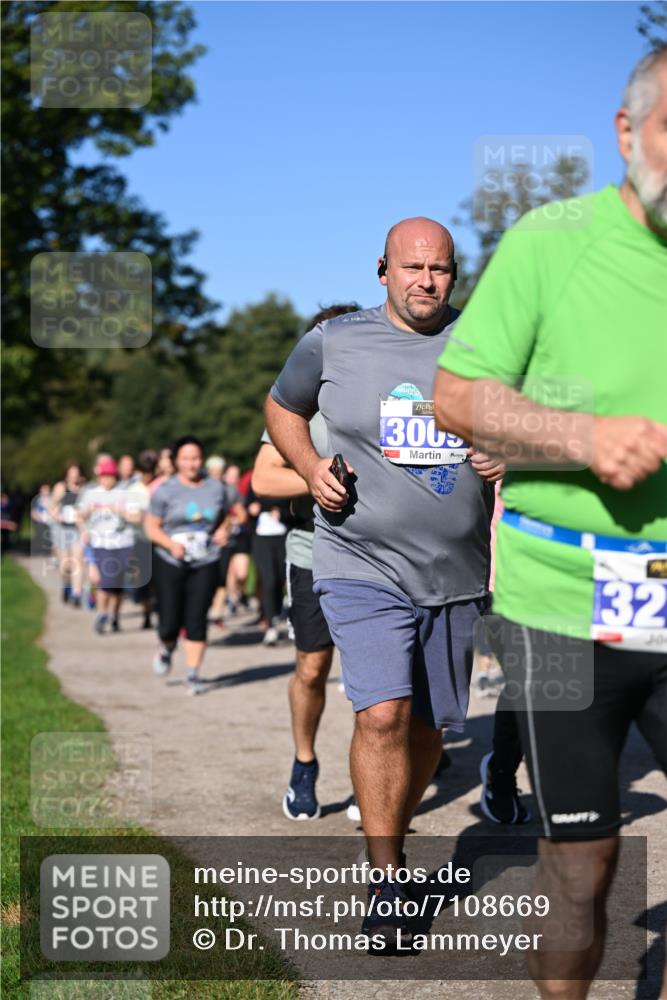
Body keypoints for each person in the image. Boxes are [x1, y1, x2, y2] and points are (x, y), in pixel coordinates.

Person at [434, 47, 667, 999]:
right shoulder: (550, 240)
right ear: (627, 134)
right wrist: (578, 435)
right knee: (581, 866)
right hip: (560, 607)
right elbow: (456, 398)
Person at [265, 217, 502, 950]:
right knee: (380, 715)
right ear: (382, 270)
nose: (425, 281)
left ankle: (390, 824)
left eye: (439, 270)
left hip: (454, 571)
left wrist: (508, 453)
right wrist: (309, 469)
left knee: (428, 729)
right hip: (357, 561)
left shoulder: (486, 342)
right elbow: (281, 409)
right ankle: (387, 878)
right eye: (412, 268)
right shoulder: (333, 342)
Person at [252, 303, 361, 821]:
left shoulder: (382, 396)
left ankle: (376, 777)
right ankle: (304, 763)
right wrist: (319, 474)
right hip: (311, 550)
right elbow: (262, 480)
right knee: (313, 668)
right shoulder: (298, 408)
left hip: (378, 553)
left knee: (379, 675)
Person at [144, 436, 231, 695]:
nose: (191, 464)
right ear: (176, 461)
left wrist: (224, 532)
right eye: (185, 459)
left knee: (196, 618)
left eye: (195, 458)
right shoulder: (165, 490)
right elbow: (150, 526)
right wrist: (170, 544)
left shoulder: (216, 488)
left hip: (206, 559)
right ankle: (166, 646)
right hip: (171, 560)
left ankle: (192, 674)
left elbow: (227, 517)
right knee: (170, 620)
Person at [76, 457, 135, 634]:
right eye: (104, 476)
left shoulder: (124, 493)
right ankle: (102, 614)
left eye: (110, 476)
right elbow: (79, 516)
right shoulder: (91, 494)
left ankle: (114, 616)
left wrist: (121, 511)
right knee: (104, 581)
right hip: (101, 542)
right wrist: (84, 529)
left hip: (123, 542)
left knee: (118, 585)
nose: (107, 479)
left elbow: (137, 517)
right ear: (99, 477)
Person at [126, 449, 158, 629]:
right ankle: (146, 613)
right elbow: (130, 515)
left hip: (158, 539)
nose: (147, 476)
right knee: (144, 577)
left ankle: (157, 607)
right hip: (141, 539)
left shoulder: (160, 485)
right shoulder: (134, 489)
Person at [49, 463, 85, 606]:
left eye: (76, 473)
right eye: (71, 473)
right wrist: (58, 516)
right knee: (66, 565)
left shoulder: (83, 489)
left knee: (77, 561)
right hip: (61, 529)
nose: (74, 476)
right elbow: (52, 507)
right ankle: (66, 585)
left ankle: (77, 594)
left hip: (76, 529)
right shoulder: (60, 487)